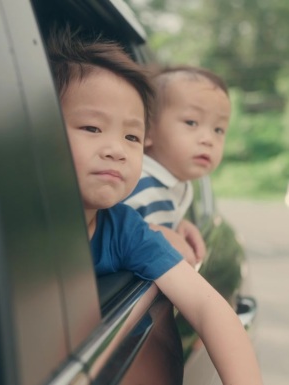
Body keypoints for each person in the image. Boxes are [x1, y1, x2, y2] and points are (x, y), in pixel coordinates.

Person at [46, 27, 263, 385]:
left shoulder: (126, 230)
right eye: (91, 127)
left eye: (132, 136)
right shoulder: (0, 226)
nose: (116, 148)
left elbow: (208, 308)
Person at [123, 65, 231, 267]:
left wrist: (177, 224)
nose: (208, 139)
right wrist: (153, 231)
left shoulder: (176, 185)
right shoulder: (135, 182)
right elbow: (105, 233)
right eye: (191, 122)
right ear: (146, 131)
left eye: (219, 129)